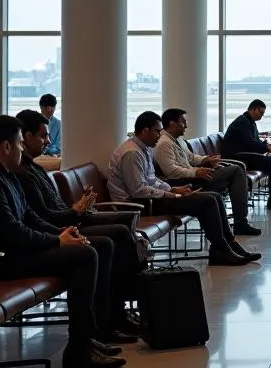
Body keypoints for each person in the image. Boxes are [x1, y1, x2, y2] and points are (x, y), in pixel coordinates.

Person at [0, 115, 127, 368]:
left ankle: (95, 332)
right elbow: (11, 231)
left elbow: (29, 216)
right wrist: (56, 240)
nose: (22, 148)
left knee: (97, 245)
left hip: (11, 252)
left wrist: (64, 233)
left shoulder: (4, 174)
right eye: (20, 143)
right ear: (6, 146)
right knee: (84, 256)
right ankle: (79, 348)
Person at [14, 109, 144, 336]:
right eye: (43, 136)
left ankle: (120, 308)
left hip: (64, 222)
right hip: (53, 230)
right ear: (24, 138)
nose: (47, 141)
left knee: (124, 224)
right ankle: (112, 314)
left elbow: (42, 212)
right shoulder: (20, 174)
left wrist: (77, 209)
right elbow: (41, 216)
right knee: (112, 238)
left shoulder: (33, 168)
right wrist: (71, 218)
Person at [108, 111, 258, 266]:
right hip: (138, 205)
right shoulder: (132, 153)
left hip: (149, 198)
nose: (160, 135)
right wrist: (171, 194)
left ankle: (229, 245)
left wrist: (173, 190)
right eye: (157, 131)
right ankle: (221, 250)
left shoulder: (143, 149)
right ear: (145, 130)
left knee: (214, 196)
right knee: (207, 201)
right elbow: (139, 191)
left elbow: (152, 180)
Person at [155, 108, 261, 236]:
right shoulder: (164, 143)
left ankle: (238, 223)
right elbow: (171, 172)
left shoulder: (177, 140)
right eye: (183, 122)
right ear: (172, 124)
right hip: (185, 182)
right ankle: (240, 222)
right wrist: (196, 172)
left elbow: (191, 157)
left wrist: (206, 159)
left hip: (194, 177)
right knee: (236, 171)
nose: (186, 126)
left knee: (232, 176)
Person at [221, 100, 271, 211]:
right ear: (253, 109)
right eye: (260, 113)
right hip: (238, 157)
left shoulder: (250, 122)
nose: (261, 116)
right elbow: (249, 143)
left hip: (247, 155)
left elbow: (254, 141)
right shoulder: (242, 122)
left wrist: (266, 145)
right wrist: (266, 148)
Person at [38, 93, 62, 169]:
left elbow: (59, 146)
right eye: (47, 107)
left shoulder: (58, 124)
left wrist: (47, 151)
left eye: (52, 107)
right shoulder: (34, 121)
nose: (50, 110)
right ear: (41, 107)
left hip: (52, 157)